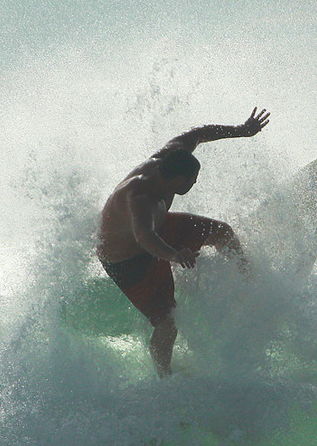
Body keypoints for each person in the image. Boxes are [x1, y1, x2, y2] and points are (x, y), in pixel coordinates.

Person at [97, 107, 270, 376]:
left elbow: (199, 133)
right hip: (127, 261)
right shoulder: (141, 197)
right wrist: (175, 255)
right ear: (179, 179)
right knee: (167, 325)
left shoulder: (171, 156)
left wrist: (241, 131)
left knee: (221, 231)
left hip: (156, 231)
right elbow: (144, 237)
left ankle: (250, 278)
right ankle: (164, 379)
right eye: (193, 180)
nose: (194, 183)